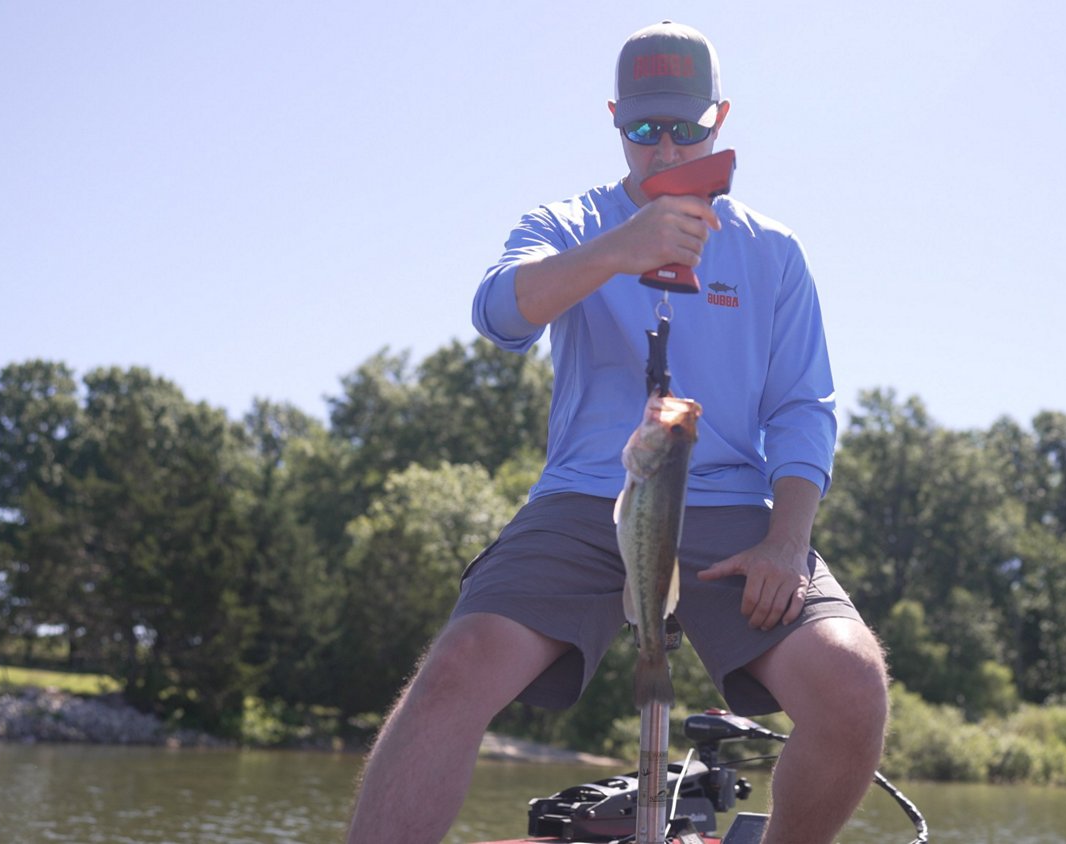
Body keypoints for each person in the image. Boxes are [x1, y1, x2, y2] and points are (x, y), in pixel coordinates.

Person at [346, 21, 888, 844]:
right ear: (614, 120)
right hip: (586, 499)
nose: (665, 148)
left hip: (736, 510)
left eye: (686, 126)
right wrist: (617, 250)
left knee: (851, 682)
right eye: (643, 128)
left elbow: (803, 409)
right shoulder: (569, 222)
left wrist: (788, 540)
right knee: (455, 671)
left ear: (721, 117)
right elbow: (499, 315)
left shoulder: (772, 251)